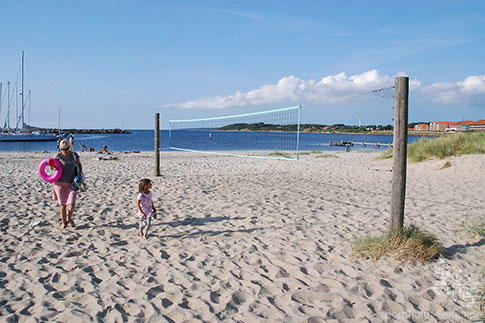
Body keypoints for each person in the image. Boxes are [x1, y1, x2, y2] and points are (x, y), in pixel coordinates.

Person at [52, 139, 83, 229]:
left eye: (65, 149)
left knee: (72, 203)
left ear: (69, 148)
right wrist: (53, 168)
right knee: (62, 205)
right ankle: (64, 222)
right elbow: (53, 167)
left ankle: (69, 219)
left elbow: (79, 165)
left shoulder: (74, 155)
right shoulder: (57, 156)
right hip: (60, 183)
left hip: (72, 183)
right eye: (62, 149)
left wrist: (79, 175)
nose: (64, 151)